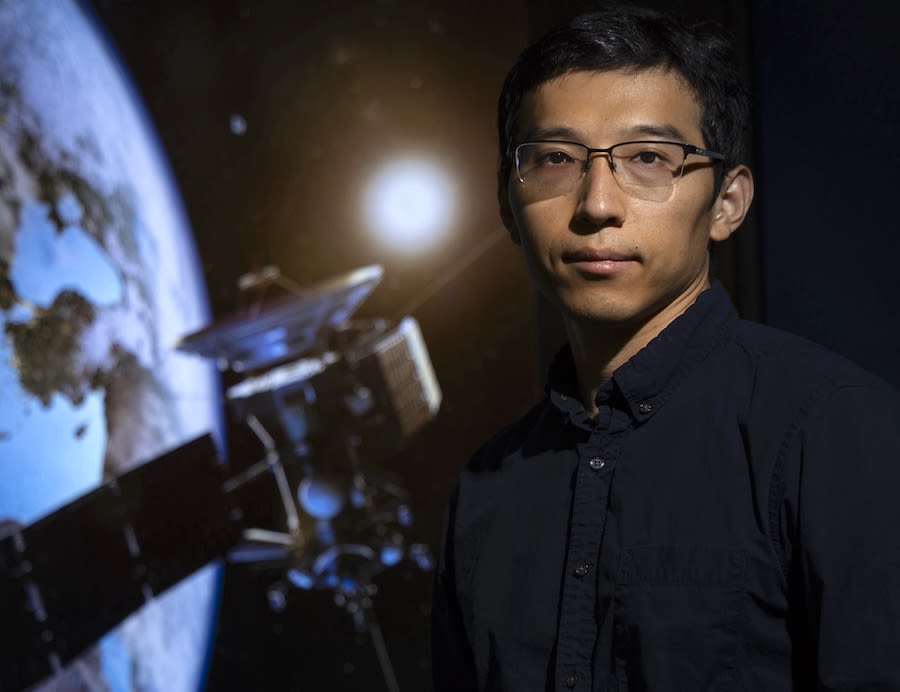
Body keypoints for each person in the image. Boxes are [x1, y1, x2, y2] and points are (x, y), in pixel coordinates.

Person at [431, 5, 900, 691]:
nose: (597, 203)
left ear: (727, 203)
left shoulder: (832, 431)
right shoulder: (486, 491)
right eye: (556, 159)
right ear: (507, 204)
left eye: (647, 158)